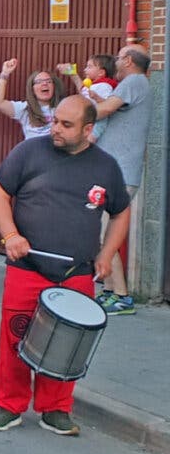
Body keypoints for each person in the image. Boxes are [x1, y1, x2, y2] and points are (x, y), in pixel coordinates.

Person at [0, 95, 129, 436]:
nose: (56, 130)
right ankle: (8, 404)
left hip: (75, 274)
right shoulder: (29, 152)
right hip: (27, 267)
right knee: (15, 337)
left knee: (66, 343)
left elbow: (121, 212)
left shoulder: (105, 166)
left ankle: (56, 409)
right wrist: (10, 236)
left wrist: (106, 254)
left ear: (88, 129)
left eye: (66, 125)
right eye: (55, 121)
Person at [92, 45, 152, 314]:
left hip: (121, 172)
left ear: (128, 61)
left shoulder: (134, 81)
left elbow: (104, 111)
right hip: (116, 171)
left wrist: (75, 112)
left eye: (118, 57)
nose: (115, 61)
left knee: (109, 235)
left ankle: (122, 296)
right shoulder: (135, 84)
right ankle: (108, 290)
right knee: (104, 233)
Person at [0, 59, 61, 141]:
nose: (44, 84)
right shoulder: (25, 108)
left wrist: (74, 76)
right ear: (32, 89)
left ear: (54, 87)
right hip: (33, 152)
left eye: (48, 81)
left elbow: (81, 101)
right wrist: (5, 74)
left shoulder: (63, 107)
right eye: (39, 82)